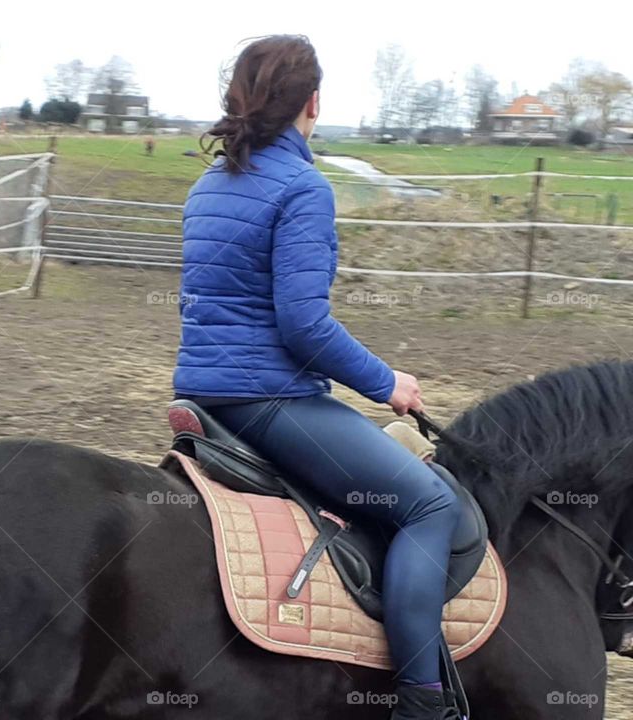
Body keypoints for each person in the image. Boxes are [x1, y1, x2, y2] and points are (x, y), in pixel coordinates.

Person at [172, 35, 461, 720]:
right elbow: (303, 325)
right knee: (429, 505)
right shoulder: (304, 187)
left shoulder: (209, 184)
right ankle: (423, 702)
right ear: (312, 103)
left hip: (205, 396)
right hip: (269, 402)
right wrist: (387, 383)